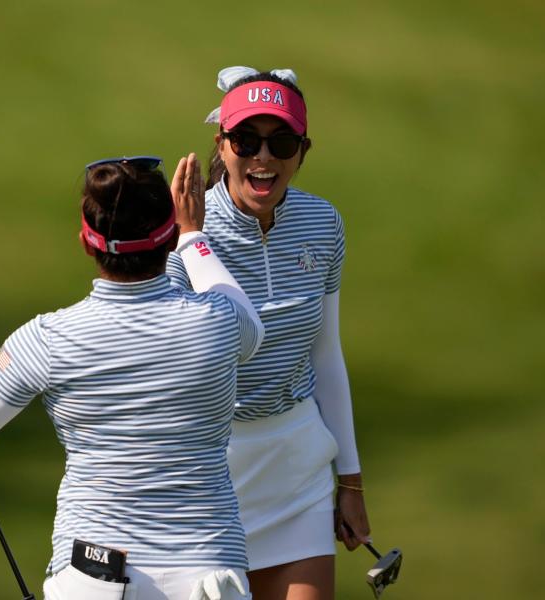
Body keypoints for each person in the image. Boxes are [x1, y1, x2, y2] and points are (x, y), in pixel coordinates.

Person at [0, 154, 265, 600]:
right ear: (167, 237)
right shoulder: (221, 320)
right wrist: (193, 236)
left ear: (86, 242)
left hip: (94, 579)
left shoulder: (47, 339)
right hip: (210, 576)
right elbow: (251, 323)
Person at [165, 67, 371, 600]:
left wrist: (349, 481)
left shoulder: (323, 224)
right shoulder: (185, 229)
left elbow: (326, 356)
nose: (263, 157)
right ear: (222, 144)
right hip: (209, 474)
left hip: (296, 470)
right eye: (246, 140)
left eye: (281, 142)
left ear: (303, 150)